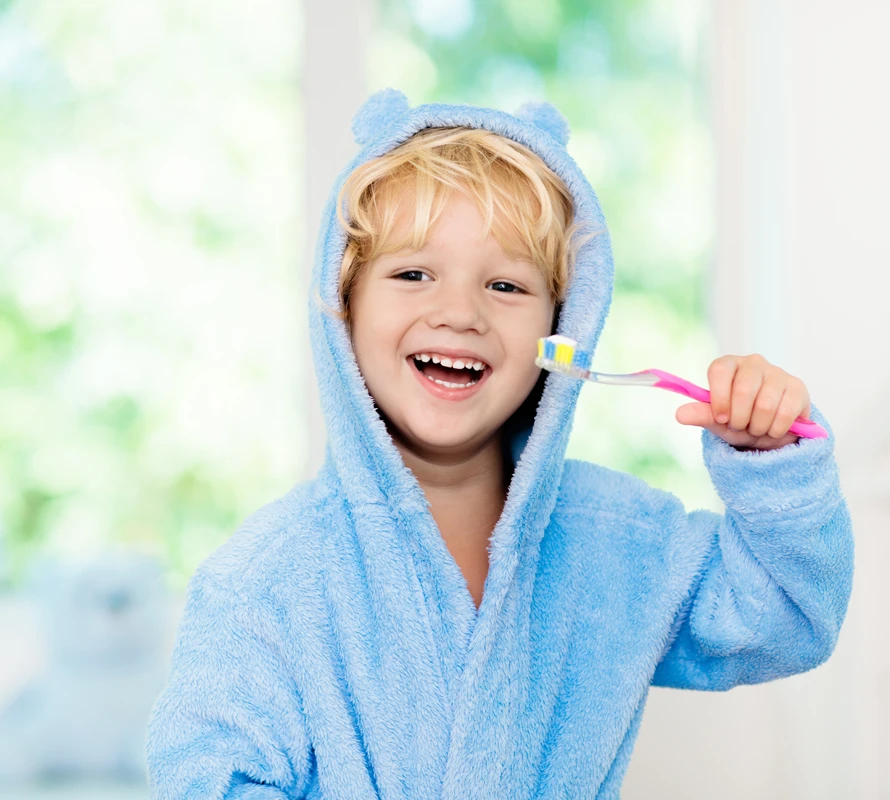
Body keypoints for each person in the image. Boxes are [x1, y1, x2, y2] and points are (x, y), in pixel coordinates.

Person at [145, 89, 852, 798]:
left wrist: (770, 464)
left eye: (507, 284)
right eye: (412, 274)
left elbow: (783, 620)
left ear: (560, 331)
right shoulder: (264, 586)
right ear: (344, 305)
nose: (460, 312)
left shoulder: (618, 542)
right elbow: (209, 782)